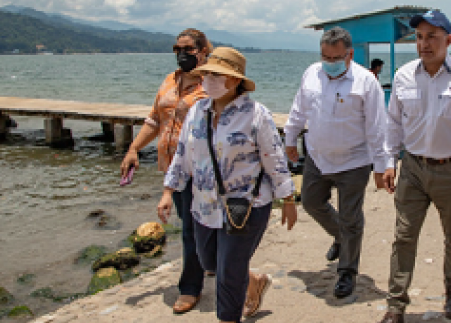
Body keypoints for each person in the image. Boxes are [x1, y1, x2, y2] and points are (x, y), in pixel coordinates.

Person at [157, 47, 298, 323]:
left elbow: (275, 160)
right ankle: (254, 281)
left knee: (228, 274)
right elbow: (183, 154)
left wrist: (288, 199)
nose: (208, 79)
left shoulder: (257, 115)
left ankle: (228, 317)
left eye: (216, 75)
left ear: (234, 81)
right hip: (204, 205)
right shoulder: (198, 110)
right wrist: (167, 191)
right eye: (207, 74)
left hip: (246, 206)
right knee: (210, 263)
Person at [378, 10, 451, 323]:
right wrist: (388, 162)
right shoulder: (404, 76)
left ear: (448, 40)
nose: (424, 44)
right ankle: (395, 305)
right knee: (404, 236)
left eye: (432, 37)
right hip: (412, 168)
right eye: (420, 37)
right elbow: (393, 123)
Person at [284, 27, 388, 298]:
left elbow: (377, 127)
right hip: (317, 157)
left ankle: (347, 272)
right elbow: (299, 109)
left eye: (336, 58)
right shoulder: (311, 74)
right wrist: (290, 139)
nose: (330, 63)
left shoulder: (366, 82)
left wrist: (381, 165)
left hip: (354, 160)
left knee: (351, 217)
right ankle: (341, 237)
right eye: (325, 57)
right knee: (310, 201)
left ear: (350, 54)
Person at [121, 28, 218, 314]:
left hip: (198, 171)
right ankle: (210, 262)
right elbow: (154, 120)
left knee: (189, 229)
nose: (181, 54)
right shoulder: (169, 81)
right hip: (170, 169)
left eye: (187, 49)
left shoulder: (210, 85)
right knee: (194, 225)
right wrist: (133, 149)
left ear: (202, 51)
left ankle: (190, 288)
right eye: (177, 49)